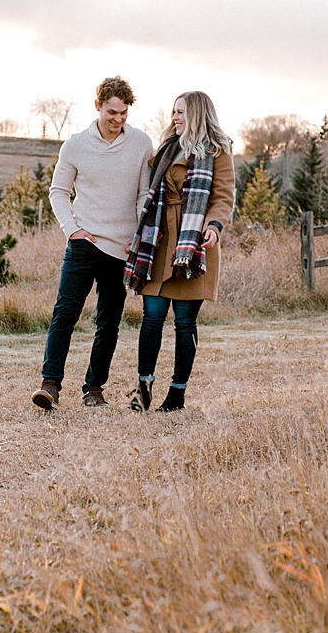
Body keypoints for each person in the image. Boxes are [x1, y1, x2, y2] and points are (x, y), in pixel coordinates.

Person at [33, 75, 155, 410]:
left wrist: (139, 236)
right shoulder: (74, 145)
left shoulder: (142, 143)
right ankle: (50, 385)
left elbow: (145, 194)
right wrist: (71, 229)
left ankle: (94, 388)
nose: (117, 120)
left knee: (109, 322)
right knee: (65, 314)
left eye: (123, 114)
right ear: (98, 105)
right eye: (112, 112)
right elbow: (58, 192)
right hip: (84, 243)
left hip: (121, 248)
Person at [125, 90, 234, 412]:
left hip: (194, 242)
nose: (174, 118)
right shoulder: (166, 149)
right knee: (152, 316)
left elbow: (223, 197)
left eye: (181, 112)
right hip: (158, 241)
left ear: (198, 115)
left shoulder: (218, 151)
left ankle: (177, 394)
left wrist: (213, 227)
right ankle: (143, 388)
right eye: (173, 112)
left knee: (185, 321)